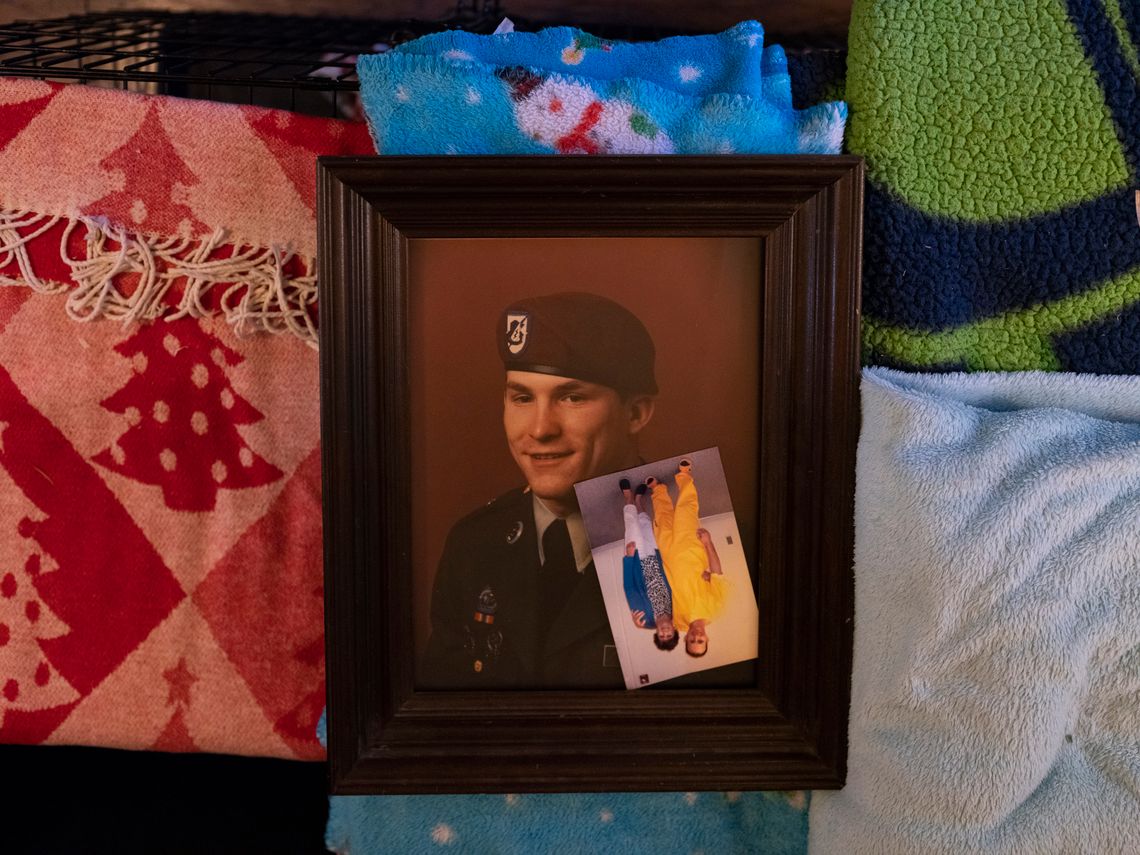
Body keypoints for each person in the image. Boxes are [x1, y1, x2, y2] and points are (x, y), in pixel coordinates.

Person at [420, 292, 658, 689]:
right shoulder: (474, 544)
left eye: (571, 397)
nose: (540, 429)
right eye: (522, 397)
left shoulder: (693, 547)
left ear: (635, 414)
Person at [647, 459, 729, 658]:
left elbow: (659, 613)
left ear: (684, 639)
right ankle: (685, 475)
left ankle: (658, 489)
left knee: (662, 520)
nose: (696, 637)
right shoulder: (715, 610)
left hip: (668, 555)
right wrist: (708, 543)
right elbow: (717, 572)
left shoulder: (677, 622)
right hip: (692, 548)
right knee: (686, 510)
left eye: (692, 641)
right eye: (700, 641)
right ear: (707, 639)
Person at [619, 480, 678, 651]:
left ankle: (628, 497)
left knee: (632, 525)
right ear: (674, 631)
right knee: (645, 525)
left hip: (637, 561)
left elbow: (629, 588)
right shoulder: (678, 609)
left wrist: (629, 559)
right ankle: (639, 501)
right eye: (669, 635)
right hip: (656, 557)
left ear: (657, 633)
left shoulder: (644, 619)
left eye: (662, 636)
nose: (665, 632)